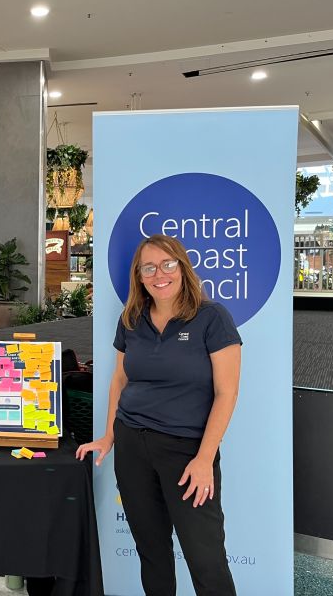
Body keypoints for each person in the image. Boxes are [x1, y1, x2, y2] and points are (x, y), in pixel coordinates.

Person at [76, 234, 241, 596]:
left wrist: (204, 458)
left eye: (168, 264)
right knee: (152, 554)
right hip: (133, 447)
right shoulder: (132, 318)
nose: (159, 274)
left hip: (187, 454)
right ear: (139, 275)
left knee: (206, 559)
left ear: (182, 267)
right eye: (149, 267)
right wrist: (108, 436)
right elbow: (119, 379)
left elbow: (226, 392)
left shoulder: (212, 318)